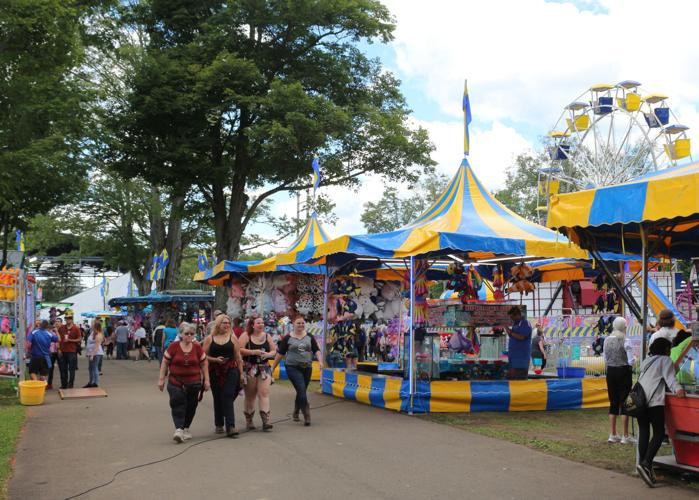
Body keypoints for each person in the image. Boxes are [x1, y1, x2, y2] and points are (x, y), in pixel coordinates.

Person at [635, 337, 686, 487]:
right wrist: (679, 389)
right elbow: (670, 379)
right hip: (654, 402)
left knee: (644, 431)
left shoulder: (646, 361)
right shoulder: (665, 360)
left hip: (640, 401)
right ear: (665, 349)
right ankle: (646, 464)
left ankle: (642, 465)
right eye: (669, 349)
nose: (670, 352)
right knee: (658, 434)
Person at [158, 322, 210, 443]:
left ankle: (186, 427)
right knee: (177, 404)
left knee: (191, 406)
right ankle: (179, 429)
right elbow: (165, 363)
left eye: (192, 334)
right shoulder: (173, 347)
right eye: (186, 334)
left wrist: (206, 380)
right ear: (180, 334)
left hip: (194, 382)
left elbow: (204, 363)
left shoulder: (197, 347)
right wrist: (161, 379)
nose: (189, 336)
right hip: (176, 381)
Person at [273, 315, 323, 426]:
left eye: (302, 323)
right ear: (293, 324)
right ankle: (307, 415)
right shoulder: (287, 338)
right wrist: (273, 367)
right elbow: (280, 354)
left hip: (307, 367)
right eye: (298, 323)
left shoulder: (309, 336)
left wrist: (320, 362)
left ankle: (296, 411)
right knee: (301, 388)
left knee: (302, 391)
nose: (301, 325)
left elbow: (317, 350)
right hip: (292, 367)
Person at [202, 314, 243, 437]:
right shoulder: (210, 338)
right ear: (218, 324)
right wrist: (215, 359)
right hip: (215, 370)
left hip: (231, 369)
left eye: (228, 323)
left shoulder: (233, 338)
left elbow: (238, 356)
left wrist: (241, 374)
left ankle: (230, 426)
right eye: (224, 323)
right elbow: (203, 356)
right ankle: (219, 423)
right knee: (218, 397)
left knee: (228, 395)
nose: (227, 325)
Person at [239, 317, 277, 431]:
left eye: (262, 323)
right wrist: (253, 352)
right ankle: (249, 421)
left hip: (264, 368)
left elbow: (274, 350)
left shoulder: (267, 336)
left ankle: (266, 421)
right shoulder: (246, 335)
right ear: (252, 325)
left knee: (264, 392)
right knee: (250, 395)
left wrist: (268, 355)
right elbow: (239, 350)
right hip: (250, 367)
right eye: (258, 323)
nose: (261, 325)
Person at [603, 317, 635, 444]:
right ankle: (625, 435)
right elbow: (630, 360)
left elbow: (605, 359)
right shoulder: (626, 340)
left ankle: (612, 434)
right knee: (625, 402)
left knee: (613, 402)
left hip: (610, 371)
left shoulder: (606, 340)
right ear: (623, 327)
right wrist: (635, 359)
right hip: (623, 371)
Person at [504, 306, 532, 380]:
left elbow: (522, 337)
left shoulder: (525, 323)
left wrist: (510, 331)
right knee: (512, 379)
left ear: (517, 315)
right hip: (513, 358)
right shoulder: (515, 325)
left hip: (521, 359)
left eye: (512, 317)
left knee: (520, 380)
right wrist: (507, 328)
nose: (511, 319)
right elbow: (512, 335)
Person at [58, 313, 82, 388]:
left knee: (71, 369)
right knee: (63, 369)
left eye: (69, 319)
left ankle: (70, 384)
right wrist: (59, 349)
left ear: (72, 320)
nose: (67, 320)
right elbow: (58, 339)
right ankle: (63, 384)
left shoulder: (76, 328)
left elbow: (79, 339)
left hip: (72, 351)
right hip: (63, 351)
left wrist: (70, 340)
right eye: (66, 319)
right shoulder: (62, 328)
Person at [84, 320, 105, 388]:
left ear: (95, 326)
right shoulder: (92, 332)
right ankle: (91, 382)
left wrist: (92, 355)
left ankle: (96, 383)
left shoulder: (99, 335)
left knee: (95, 367)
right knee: (90, 368)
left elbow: (96, 346)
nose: (91, 325)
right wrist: (88, 353)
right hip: (91, 353)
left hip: (96, 353)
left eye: (92, 324)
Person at [47, 318, 62, 389]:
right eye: (56, 321)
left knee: (62, 368)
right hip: (52, 352)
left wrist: (59, 349)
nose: (57, 323)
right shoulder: (51, 331)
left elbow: (60, 340)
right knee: (50, 368)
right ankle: (49, 384)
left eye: (58, 321)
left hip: (60, 352)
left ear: (61, 323)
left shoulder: (63, 330)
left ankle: (63, 384)